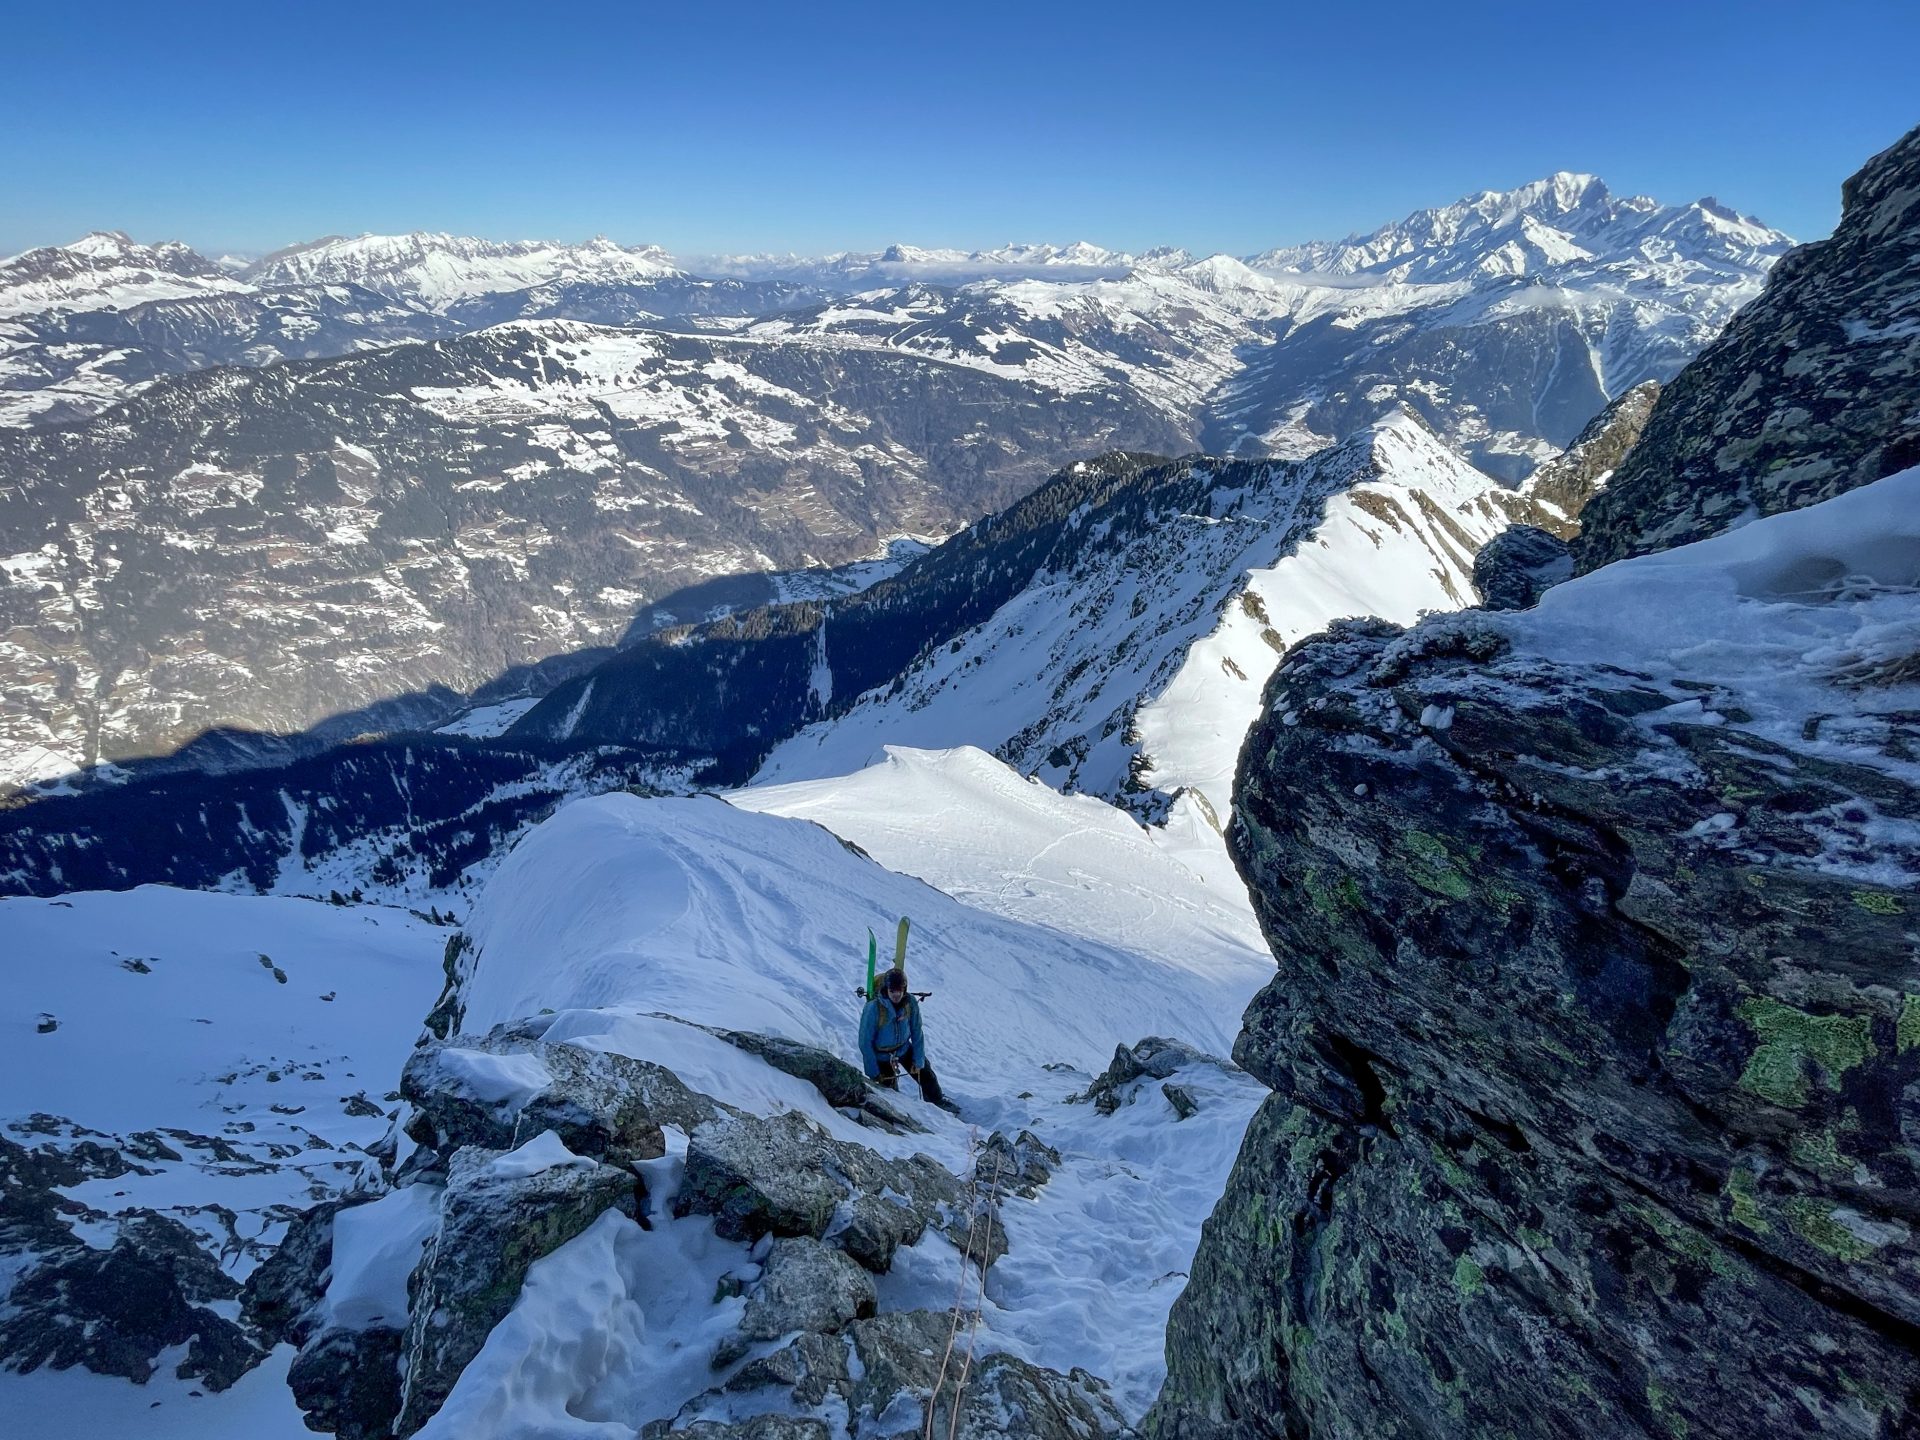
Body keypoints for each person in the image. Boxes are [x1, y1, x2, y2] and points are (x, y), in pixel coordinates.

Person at [860, 967, 945, 1106]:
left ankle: (938, 1103)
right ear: (886, 989)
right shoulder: (873, 1008)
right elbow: (865, 1042)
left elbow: (917, 1030)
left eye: (899, 990)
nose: (896, 994)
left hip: (904, 1048)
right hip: (881, 1055)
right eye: (892, 991)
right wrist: (873, 1072)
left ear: (904, 989)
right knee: (890, 1093)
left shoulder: (909, 1002)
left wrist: (918, 1061)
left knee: (927, 1075)